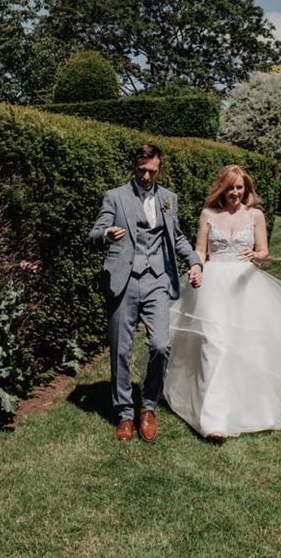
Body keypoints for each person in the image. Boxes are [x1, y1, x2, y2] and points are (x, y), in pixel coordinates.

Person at [164, 165, 281, 439]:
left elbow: (264, 252)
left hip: (245, 284)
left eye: (240, 188)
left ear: (246, 189)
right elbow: (200, 250)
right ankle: (214, 420)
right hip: (212, 284)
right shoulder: (208, 214)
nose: (235, 193)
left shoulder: (255, 215)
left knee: (247, 347)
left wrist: (256, 255)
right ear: (221, 189)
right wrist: (196, 268)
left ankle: (252, 410)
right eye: (231, 188)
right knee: (214, 345)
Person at [88, 144, 203, 442]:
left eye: (152, 170)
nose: (147, 176)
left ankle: (148, 406)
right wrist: (106, 235)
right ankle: (125, 413)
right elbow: (93, 234)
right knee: (121, 349)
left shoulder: (168, 199)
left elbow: (175, 236)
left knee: (161, 345)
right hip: (123, 280)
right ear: (134, 167)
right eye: (142, 170)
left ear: (159, 169)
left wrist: (193, 261)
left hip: (156, 280)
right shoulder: (115, 197)